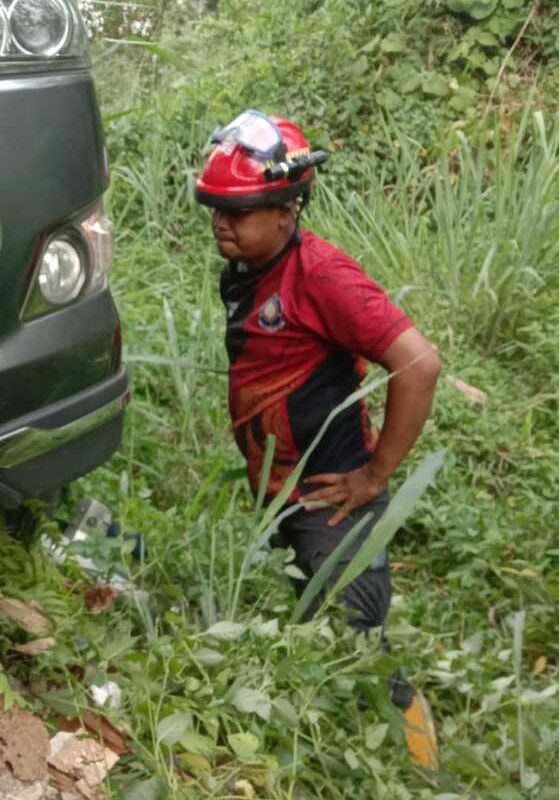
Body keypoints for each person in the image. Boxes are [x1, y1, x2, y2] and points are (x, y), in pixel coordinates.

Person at [193, 110, 442, 768]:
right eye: (215, 209)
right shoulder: (250, 267)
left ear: (288, 210)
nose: (222, 224)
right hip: (281, 491)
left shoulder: (322, 276)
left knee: (353, 645)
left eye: (239, 212)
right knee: (296, 629)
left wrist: (374, 475)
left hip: (332, 502)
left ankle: (417, 762)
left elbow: (419, 363)